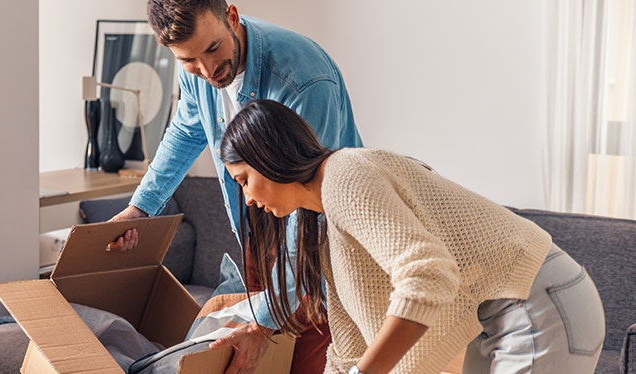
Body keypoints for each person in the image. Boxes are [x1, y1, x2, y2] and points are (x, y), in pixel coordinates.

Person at [219, 99, 606, 374]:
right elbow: (348, 347)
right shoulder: (322, 228)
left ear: (270, 156)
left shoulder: (344, 174)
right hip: (501, 316)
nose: (250, 199)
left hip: (539, 301)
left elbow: (427, 275)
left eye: (246, 181)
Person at [109, 0, 363, 372]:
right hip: (257, 221)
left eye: (213, 49)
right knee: (246, 358)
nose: (208, 71)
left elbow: (309, 204)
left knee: (306, 359)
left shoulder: (304, 80)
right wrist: (141, 207)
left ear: (231, 17)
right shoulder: (194, 64)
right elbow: (186, 130)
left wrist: (264, 321)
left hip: (315, 232)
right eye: (190, 61)